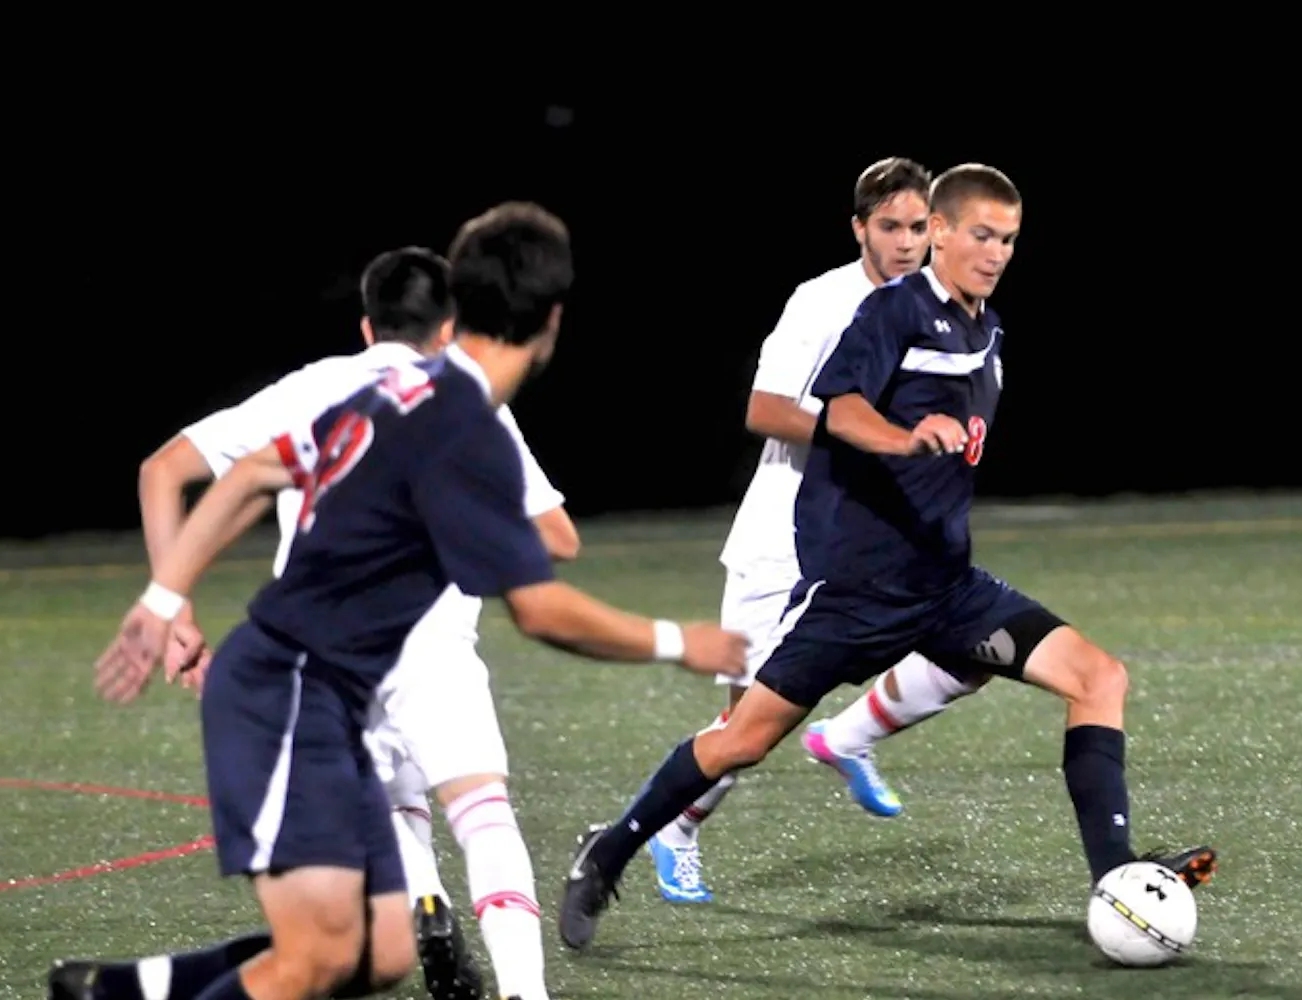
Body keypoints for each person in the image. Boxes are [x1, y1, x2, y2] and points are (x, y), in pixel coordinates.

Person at [51, 201, 747, 1000]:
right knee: (316, 955)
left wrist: (167, 597)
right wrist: (677, 643)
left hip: (334, 683)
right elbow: (541, 608)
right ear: (548, 322)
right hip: (289, 689)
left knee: (377, 956)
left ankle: (121, 991)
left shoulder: (384, 393)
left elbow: (242, 473)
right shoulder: (462, 418)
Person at [557, 166, 1217, 955]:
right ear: (938, 230)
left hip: (947, 587)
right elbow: (840, 408)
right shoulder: (891, 310)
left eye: (1008, 238)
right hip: (857, 594)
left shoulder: (985, 326)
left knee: (1098, 677)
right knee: (741, 738)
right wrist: (905, 439)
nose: (996, 252)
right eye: (980, 234)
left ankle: (1113, 875)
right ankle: (610, 851)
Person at [127, 244, 574, 1000]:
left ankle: (423, 895)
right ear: (450, 327)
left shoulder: (314, 388)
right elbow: (554, 535)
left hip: (323, 651)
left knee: (388, 793)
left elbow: (162, 469)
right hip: (428, 637)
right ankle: (523, 991)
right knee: (481, 808)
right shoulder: (462, 395)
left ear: (369, 329)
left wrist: (174, 610)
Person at [646, 156, 991, 905]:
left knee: (977, 649)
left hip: (882, 539)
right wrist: (874, 432)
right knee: (745, 724)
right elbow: (765, 410)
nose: (905, 243)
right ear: (860, 229)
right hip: (783, 536)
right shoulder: (822, 302)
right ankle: (674, 828)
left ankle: (848, 736)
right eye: (889, 227)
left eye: (917, 227)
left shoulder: (944, 309)